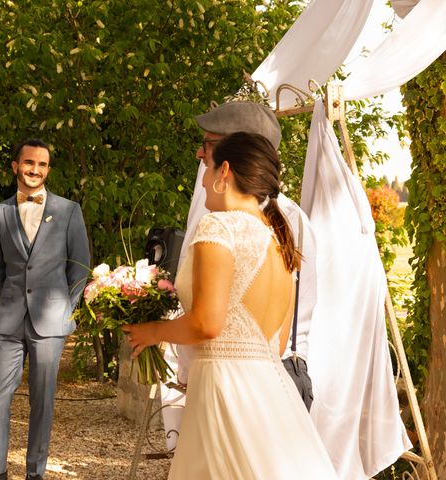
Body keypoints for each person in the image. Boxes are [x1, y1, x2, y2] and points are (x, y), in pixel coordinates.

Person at [123, 132, 337, 478]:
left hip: (224, 391)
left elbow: (206, 324)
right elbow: (278, 342)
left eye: (206, 168)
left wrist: (151, 331)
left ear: (224, 171)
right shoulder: (278, 241)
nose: (204, 181)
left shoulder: (218, 227)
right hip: (271, 392)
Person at [178, 100, 317, 410]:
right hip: (236, 378)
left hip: (262, 381)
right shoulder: (224, 213)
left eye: (209, 144)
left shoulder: (277, 220)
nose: (200, 153)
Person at [0, 139, 90, 480]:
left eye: (42, 165)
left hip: (51, 323)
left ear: (48, 170)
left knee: (43, 401)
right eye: (29, 163)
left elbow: (80, 267)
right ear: (15, 166)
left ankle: (34, 472)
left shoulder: (69, 210)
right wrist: (11, 297)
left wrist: (63, 310)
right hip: (10, 321)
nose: (35, 170)